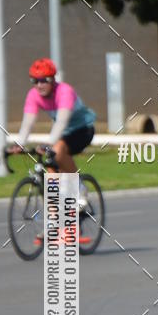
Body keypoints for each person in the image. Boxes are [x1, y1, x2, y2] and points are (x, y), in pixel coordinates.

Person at [17, 58, 96, 208]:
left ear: (53, 79)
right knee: (51, 171)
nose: (39, 85)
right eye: (35, 81)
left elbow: (61, 121)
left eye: (44, 80)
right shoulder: (34, 95)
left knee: (57, 150)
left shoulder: (65, 91)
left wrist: (49, 143)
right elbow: (28, 123)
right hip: (64, 134)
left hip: (83, 129)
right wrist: (19, 144)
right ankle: (54, 224)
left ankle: (80, 188)